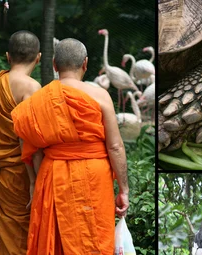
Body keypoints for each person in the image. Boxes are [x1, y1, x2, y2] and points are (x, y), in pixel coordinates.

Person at [11, 38, 130, 254]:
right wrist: (124, 190)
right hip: (95, 175)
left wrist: (38, 182)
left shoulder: (38, 100)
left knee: (54, 240)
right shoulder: (100, 96)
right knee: (94, 238)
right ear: (85, 64)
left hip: (54, 173)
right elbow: (115, 147)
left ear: (55, 65)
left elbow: (29, 144)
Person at [0, 30, 43, 255]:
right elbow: (25, 138)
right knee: (20, 232)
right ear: (38, 57)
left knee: (1, 228)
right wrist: (33, 181)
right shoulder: (31, 88)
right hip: (21, 173)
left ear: (8, 56)